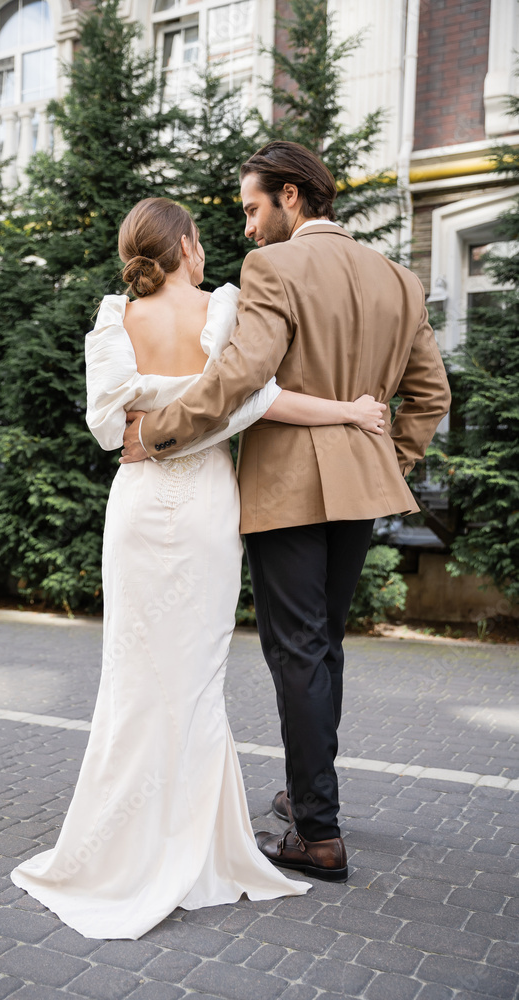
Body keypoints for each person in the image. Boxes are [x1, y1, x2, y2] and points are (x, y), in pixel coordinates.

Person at [10, 196, 388, 939]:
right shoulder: (223, 308)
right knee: (196, 677)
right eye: (200, 239)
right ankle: (200, 849)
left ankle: (116, 845)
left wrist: (151, 427)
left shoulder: (114, 319)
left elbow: (106, 426)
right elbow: (253, 400)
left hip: (140, 504)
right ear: (185, 245)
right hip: (211, 502)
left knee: (130, 671)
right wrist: (348, 412)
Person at [122, 143, 452, 883]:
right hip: (361, 494)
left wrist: (158, 431)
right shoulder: (400, 279)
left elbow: (241, 374)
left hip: (287, 492)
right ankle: (310, 798)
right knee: (322, 646)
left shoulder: (274, 269)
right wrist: (386, 460)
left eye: (250, 208)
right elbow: (430, 397)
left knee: (297, 651)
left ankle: (317, 831)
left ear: (292, 198)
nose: (245, 229)